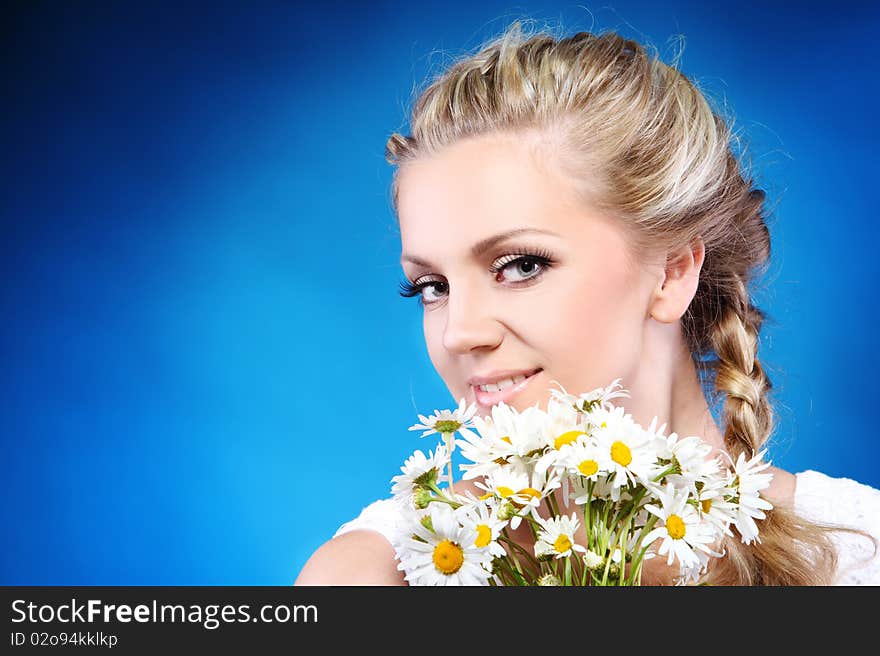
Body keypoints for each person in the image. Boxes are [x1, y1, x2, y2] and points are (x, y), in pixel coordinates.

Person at [294, 21, 880, 585]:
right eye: (433, 287)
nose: (458, 334)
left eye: (521, 266)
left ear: (672, 273)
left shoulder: (858, 552)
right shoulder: (380, 575)